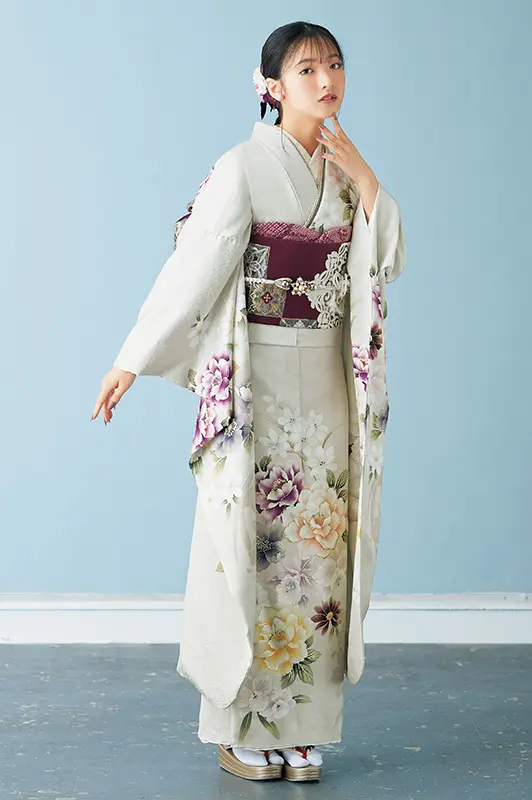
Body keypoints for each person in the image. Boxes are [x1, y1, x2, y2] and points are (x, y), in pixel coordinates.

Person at [91, 21, 406, 783]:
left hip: (326, 382)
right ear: (269, 85)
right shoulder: (242, 168)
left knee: (318, 551)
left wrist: (367, 182)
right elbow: (194, 270)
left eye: (335, 65)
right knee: (251, 550)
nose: (326, 79)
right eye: (307, 68)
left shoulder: (344, 172)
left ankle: (305, 727)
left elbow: (386, 262)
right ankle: (240, 727)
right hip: (258, 380)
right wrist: (131, 357)